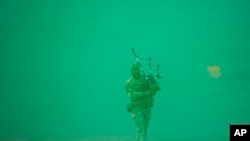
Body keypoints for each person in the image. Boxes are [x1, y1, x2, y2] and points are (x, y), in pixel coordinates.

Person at [125, 64, 160, 141]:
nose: (135, 72)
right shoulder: (129, 82)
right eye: (133, 71)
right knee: (140, 128)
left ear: (139, 70)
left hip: (147, 108)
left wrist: (154, 86)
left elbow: (157, 86)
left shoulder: (146, 79)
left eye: (136, 70)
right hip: (137, 108)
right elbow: (132, 95)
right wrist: (145, 93)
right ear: (131, 72)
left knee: (145, 128)